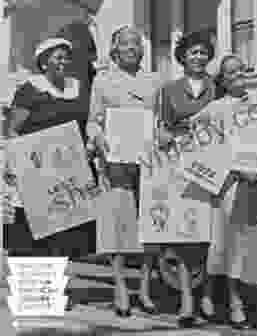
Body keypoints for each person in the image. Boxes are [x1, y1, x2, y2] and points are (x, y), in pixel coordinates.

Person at [195, 54, 257, 329]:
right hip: (231, 183)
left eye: (241, 71)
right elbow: (198, 142)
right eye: (231, 73)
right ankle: (235, 303)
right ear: (221, 80)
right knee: (231, 244)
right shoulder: (215, 109)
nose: (237, 76)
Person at [85, 25, 162, 318]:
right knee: (117, 225)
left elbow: (159, 120)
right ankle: (119, 286)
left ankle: (144, 287)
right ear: (115, 49)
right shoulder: (103, 81)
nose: (132, 48)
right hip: (115, 164)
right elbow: (93, 121)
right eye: (126, 44)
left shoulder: (154, 80)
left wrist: (160, 135)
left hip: (149, 163)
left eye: (137, 43)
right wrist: (99, 138)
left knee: (151, 225)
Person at [4, 38, 96, 259]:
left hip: (69, 169)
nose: (64, 62)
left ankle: (56, 286)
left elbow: (88, 123)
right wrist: (12, 163)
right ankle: (31, 287)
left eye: (67, 57)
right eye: (58, 57)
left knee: (65, 235)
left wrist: (89, 146)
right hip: (36, 169)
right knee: (33, 234)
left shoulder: (78, 87)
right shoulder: (30, 89)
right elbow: (13, 130)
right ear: (44, 62)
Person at [151, 30, 217, 327]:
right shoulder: (169, 89)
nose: (199, 58)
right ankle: (187, 299)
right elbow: (161, 128)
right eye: (193, 53)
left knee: (210, 234)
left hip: (212, 164)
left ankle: (208, 294)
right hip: (178, 166)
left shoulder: (218, 88)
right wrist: (169, 138)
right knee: (184, 233)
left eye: (204, 52)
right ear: (183, 58)